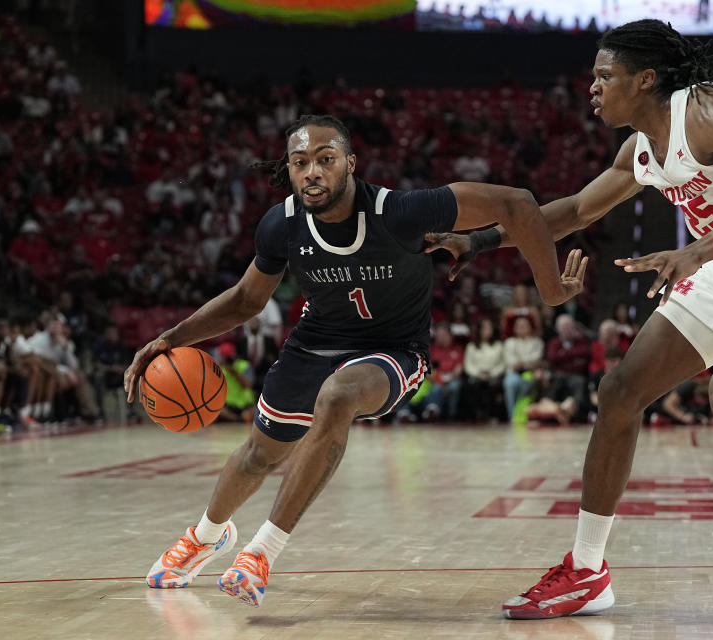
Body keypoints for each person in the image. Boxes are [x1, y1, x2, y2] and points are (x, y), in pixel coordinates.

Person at [427, 20, 713, 617]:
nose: (593, 88)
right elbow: (575, 210)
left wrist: (695, 253)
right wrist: (477, 243)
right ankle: (586, 570)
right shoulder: (640, 149)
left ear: (646, 78)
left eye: (605, 75)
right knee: (621, 390)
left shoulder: (707, 111)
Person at [123, 114, 587, 607]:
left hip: (394, 349)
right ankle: (207, 534)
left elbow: (517, 203)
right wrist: (169, 338)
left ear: (350, 163)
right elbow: (245, 301)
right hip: (315, 343)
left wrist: (552, 290)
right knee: (259, 455)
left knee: (338, 396)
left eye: (325, 160)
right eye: (300, 163)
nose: (312, 172)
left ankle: (262, 550)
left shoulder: (400, 212)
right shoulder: (281, 224)